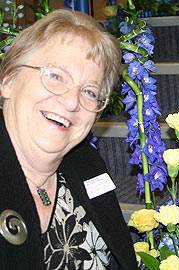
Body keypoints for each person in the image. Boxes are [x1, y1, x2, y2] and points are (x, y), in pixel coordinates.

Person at [0, 9, 137, 270]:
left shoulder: (87, 164)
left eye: (89, 91)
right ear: (8, 80)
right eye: (55, 76)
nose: (72, 102)